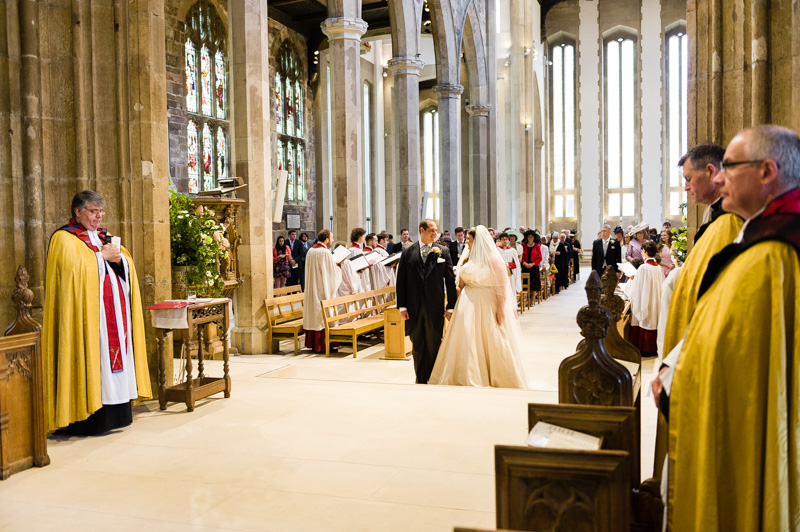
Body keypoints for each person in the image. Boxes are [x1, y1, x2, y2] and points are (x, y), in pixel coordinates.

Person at [666, 125, 800, 530]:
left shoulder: (777, 252)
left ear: (767, 172)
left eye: (730, 167)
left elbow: (748, 354)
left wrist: (677, 381)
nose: (719, 178)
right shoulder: (758, 237)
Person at [43, 190, 151, 435]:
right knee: (94, 360)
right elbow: (71, 274)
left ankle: (118, 414)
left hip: (115, 316)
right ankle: (87, 419)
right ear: (78, 212)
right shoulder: (64, 238)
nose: (99, 216)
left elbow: (127, 265)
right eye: (93, 211)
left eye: (101, 211)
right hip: (88, 320)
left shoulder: (105, 237)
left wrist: (119, 261)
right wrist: (100, 258)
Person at [429, 226, 528, 388]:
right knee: (466, 339)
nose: (466, 242)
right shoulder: (468, 258)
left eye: (469, 239)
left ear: (478, 240)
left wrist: (501, 309)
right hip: (465, 306)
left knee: (489, 338)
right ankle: (465, 375)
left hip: (486, 304)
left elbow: (502, 286)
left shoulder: (493, 258)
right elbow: (460, 284)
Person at [395, 219, 457, 384]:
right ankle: (420, 379)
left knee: (434, 343)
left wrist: (451, 306)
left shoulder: (443, 251)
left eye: (436, 230)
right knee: (417, 344)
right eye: (431, 230)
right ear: (422, 230)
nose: (435, 234)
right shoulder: (408, 251)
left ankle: (433, 378)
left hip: (434, 306)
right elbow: (401, 281)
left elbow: (450, 281)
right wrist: (402, 306)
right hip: (413, 307)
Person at [302, 230, 342, 353]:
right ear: (326, 239)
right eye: (332, 238)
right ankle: (323, 345)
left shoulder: (310, 251)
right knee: (322, 316)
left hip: (312, 288)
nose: (333, 240)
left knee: (315, 315)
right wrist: (339, 266)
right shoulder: (325, 252)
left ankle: (314, 344)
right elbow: (332, 274)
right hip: (322, 289)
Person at [626, 240, 662, 357]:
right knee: (652, 319)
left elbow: (637, 287)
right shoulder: (658, 267)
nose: (641, 253)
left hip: (646, 299)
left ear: (646, 252)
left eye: (642, 251)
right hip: (655, 300)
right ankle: (651, 349)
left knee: (645, 319)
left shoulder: (643, 267)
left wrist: (632, 280)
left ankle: (643, 348)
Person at [520, 230, 542, 303]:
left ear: (534, 238)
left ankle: (532, 300)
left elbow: (540, 258)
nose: (530, 238)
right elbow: (521, 257)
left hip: (534, 267)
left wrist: (532, 264)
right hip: (525, 267)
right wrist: (525, 263)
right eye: (529, 236)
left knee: (533, 285)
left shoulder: (537, 246)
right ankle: (526, 300)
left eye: (531, 237)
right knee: (525, 283)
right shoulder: (523, 246)